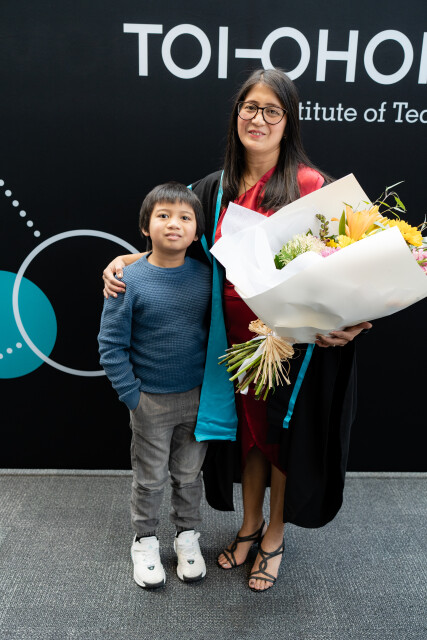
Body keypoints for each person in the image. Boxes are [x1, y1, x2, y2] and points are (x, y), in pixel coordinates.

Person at [102, 69, 372, 592]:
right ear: (236, 115)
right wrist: (128, 259)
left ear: (288, 121)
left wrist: (355, 321)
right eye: (250, 107)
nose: (259, 119)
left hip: (293, 340)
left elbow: (354, 267)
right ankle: (248, 526)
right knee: (249, 434)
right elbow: (176, 237)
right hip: (230, 340)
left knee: (283, 435)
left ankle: (274, 535)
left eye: (272, 110)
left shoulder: (312, 187)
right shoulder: (215, 188)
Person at [98, 182, 211, 589]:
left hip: (197, 398)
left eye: (184, 217)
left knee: (189, 474)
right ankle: (144, 540)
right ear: (146, 226)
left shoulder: (207, 278)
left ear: (197, 232)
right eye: (163, 215)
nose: (173, 224)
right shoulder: (126, 279)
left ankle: (187, 536)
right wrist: (134, 397)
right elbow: (111, 345)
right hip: (150, 402)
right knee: (149, 478)